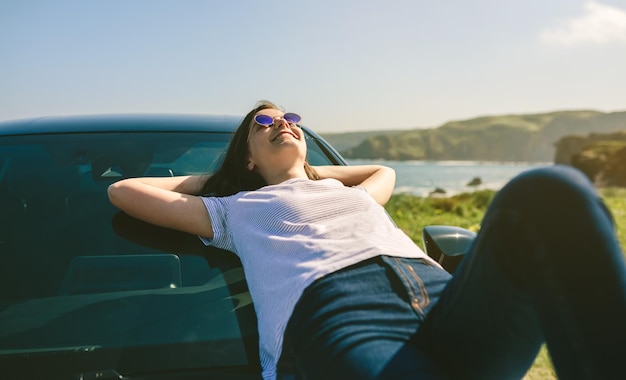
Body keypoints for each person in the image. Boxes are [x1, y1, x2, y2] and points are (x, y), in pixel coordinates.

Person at [108, 100, 626, 380]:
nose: (282, 123)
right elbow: (124, 190)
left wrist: (310, 173)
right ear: (247, 155)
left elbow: (383, 169)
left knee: (548, 193)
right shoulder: (234, 210)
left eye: (291, 119)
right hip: (341, 318)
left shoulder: (344, 189)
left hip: (446, 298)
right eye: (264, 122)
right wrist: (227, 179)